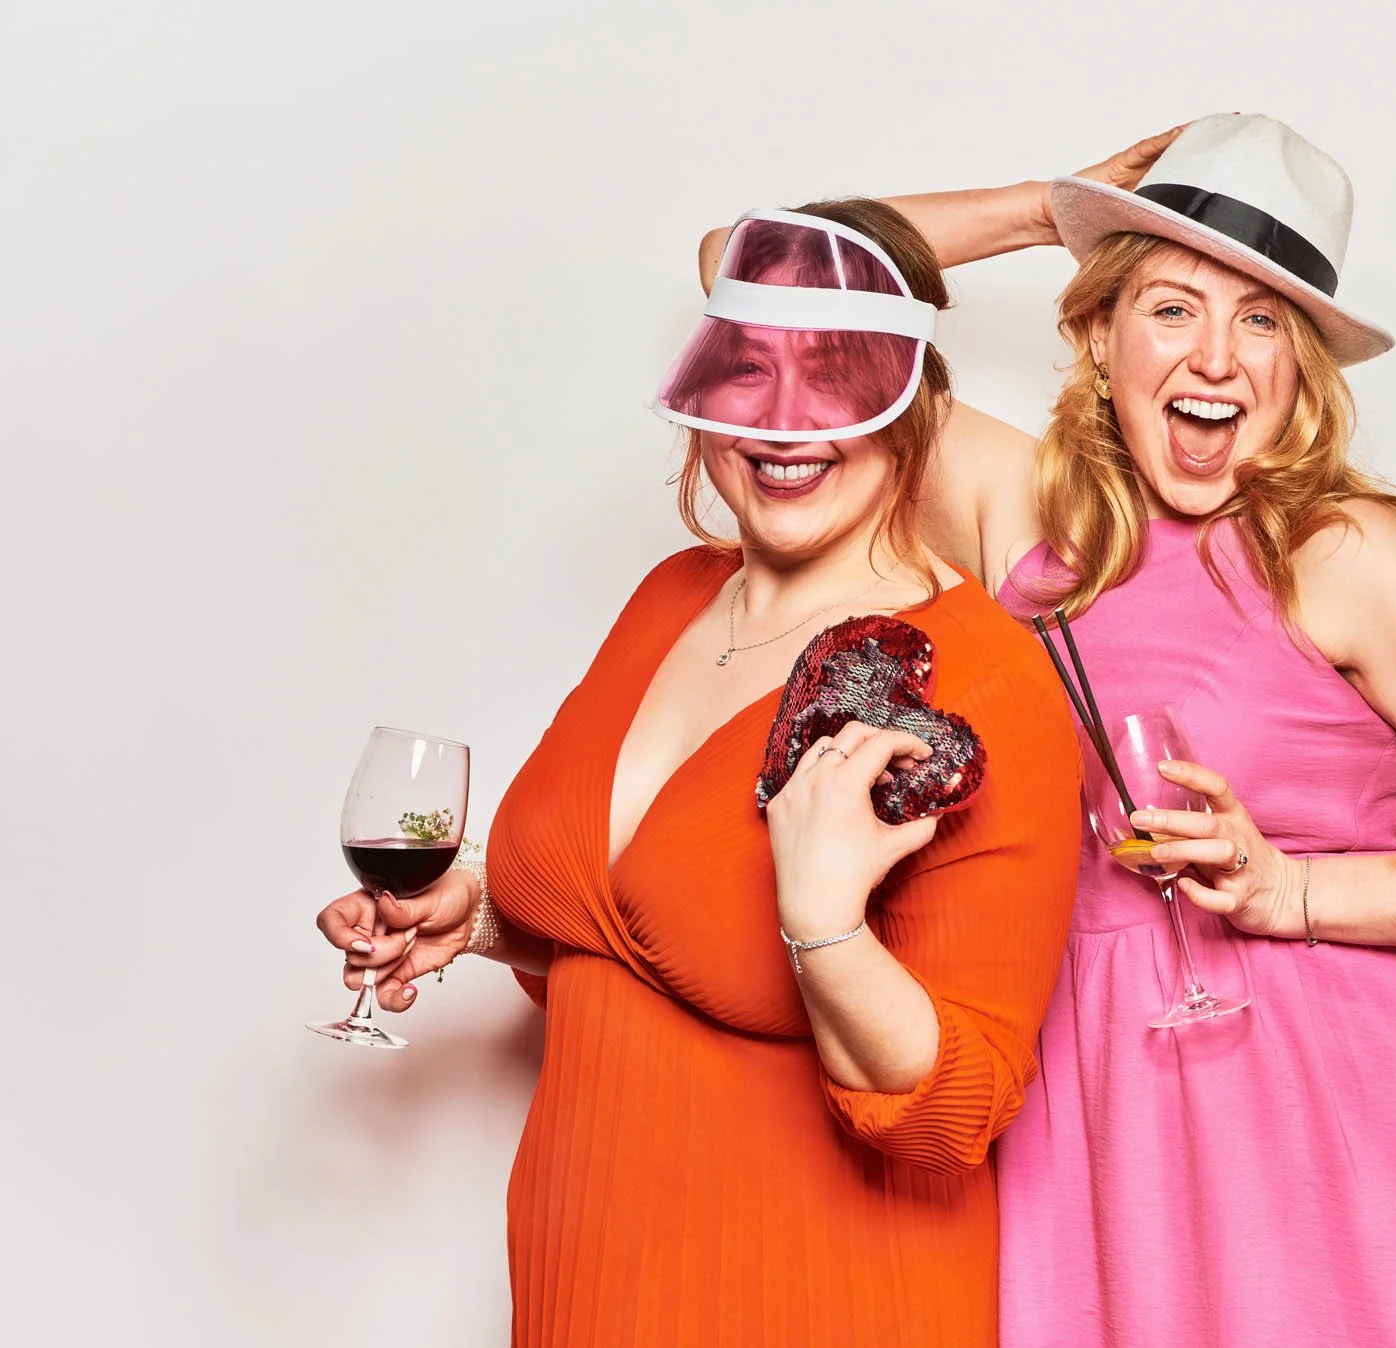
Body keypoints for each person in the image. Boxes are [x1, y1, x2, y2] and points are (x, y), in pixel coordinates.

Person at [721, 115, 1396, 1347]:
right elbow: (768, 291)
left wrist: (1294, 891)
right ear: (1098, 333)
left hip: (1352, 1119)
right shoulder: (1027, 523)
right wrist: (1048, 209)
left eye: (1263, 321)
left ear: (1301, 368)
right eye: (1172, 307)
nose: (1217, 358)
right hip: (1101, 1117)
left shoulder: (1340, 553)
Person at [314, 200, 1083, 1347]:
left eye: (838, 379)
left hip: (815, 1295)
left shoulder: (983, 679)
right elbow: (640, 931)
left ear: (913, 406)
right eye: (750, 372)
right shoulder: (671, 595)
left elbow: (959, 1109)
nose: (784, 425)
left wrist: (823, 919)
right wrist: (475, 915)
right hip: (585, 1280)